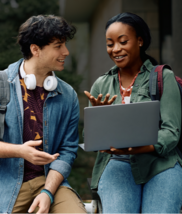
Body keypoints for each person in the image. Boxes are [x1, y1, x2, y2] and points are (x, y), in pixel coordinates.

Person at [84, 12, 182, 213]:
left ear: (139, 41)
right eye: (110, 44)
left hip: (161, 165)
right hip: (117, 165)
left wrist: (143, 147)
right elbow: (91, 139)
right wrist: (100, 122)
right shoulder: (101, 85)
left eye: (123, 41)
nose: (116, 49)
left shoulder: (164, 77)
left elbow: (172, 132)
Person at [0, 15, 86, 214]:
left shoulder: (68, 95)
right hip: (7, 182)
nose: (66, 52)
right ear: (35, 49)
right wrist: (20, 151)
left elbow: (68, 150)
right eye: (58, 46)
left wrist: (48, 192)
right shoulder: (2, 85)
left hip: (50, 182)